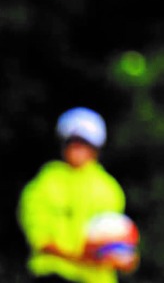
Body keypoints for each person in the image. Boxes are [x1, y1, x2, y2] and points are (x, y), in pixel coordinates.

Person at [17, 107, 137, 283]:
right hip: (54, 276)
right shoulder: (44, 183)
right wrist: (82, 258)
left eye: (84, 143)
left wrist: (124, 258)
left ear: (96, 149)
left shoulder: (110, 188)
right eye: (72, 142)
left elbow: (118, 240)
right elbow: (40, 240)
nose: (77, 148)